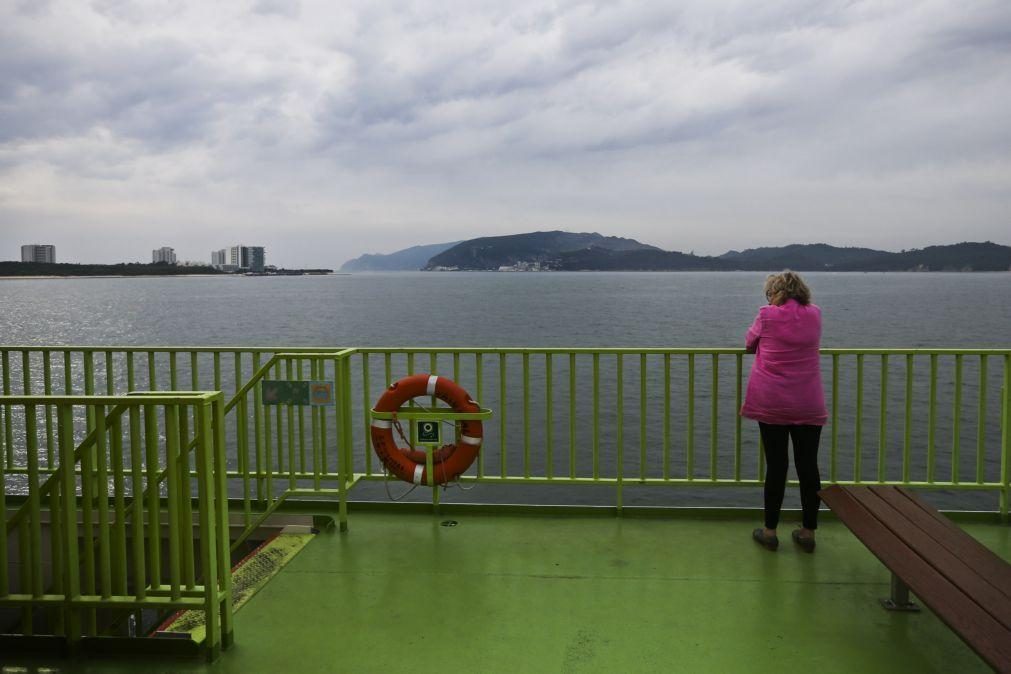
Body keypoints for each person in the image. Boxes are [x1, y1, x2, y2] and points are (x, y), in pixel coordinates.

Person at [741, 271, 827, 553]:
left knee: (777, 467)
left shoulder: (767, 315)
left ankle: (769, 532)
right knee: (808, 467)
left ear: (774, 292)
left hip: (773, 400)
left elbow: (749, 342)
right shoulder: (815, 314)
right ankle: (808, 532)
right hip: (808, 400)